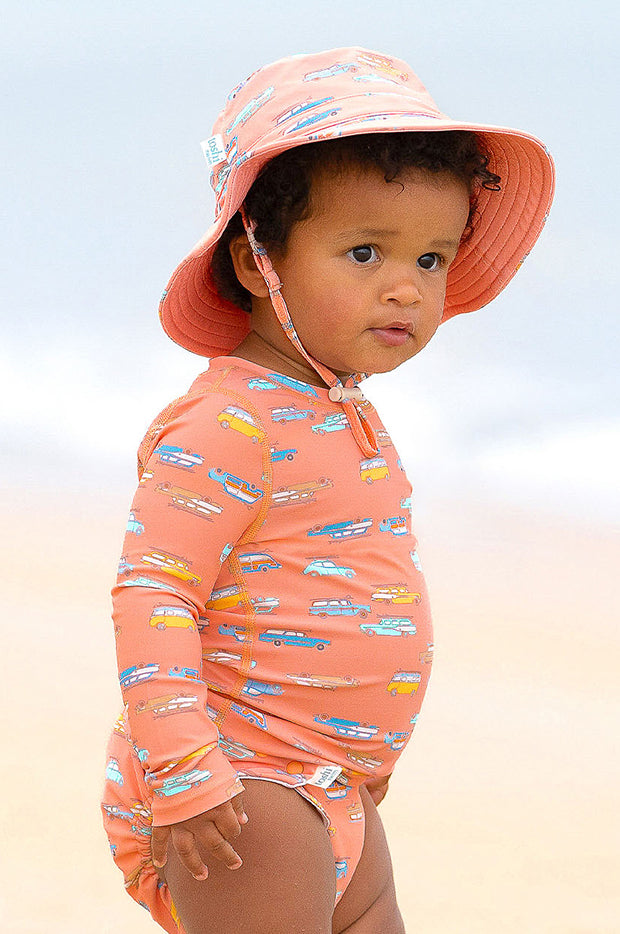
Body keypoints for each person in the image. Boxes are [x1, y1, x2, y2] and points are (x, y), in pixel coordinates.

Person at [101, 47, 554, 934]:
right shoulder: (226, 423)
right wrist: (187, 770)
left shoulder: (339, 413)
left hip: (332, 782)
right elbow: (153, 594)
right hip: (242, 783)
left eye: (432, 258)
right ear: (252, 263)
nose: (407, 287)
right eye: (363, 251)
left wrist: (364, 741)